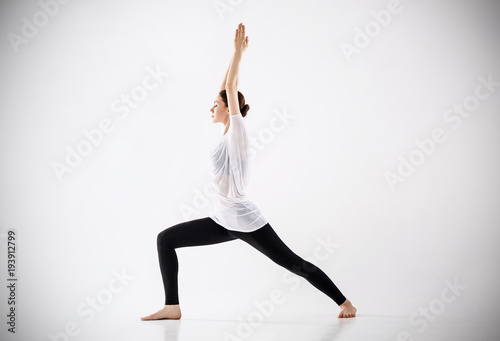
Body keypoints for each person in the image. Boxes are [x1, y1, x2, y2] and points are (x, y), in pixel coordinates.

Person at [141, 23, 357, 321]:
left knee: (294, 264)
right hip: (222, 219)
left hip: (244, 219)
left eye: (214, 105)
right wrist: (230, 62)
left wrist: (237, 53)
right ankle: (172, 306)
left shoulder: (238, 133)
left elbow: (229, 89)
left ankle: (345, 302)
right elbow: (224, 88)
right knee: (165, 239)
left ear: (229, 108)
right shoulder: (226, 133)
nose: (210, 108)